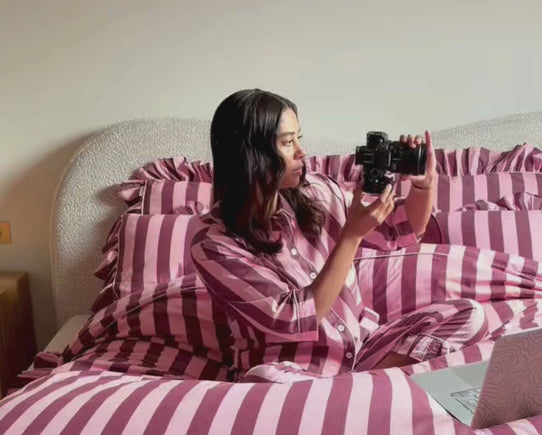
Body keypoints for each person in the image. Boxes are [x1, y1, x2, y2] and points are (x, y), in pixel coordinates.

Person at [191, 89, 486, 382]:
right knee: (265, 378)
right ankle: (362, 390)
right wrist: (350, 236)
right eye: (287, 142)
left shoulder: (319, 191)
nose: (300, 152)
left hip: (364, 348)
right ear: (249, 153)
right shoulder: (213, 242)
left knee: (468, 314)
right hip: (293, 368)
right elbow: (292, 319)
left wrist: (423, 185)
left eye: (299, 138)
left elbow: (401, 228)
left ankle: (354, 388)